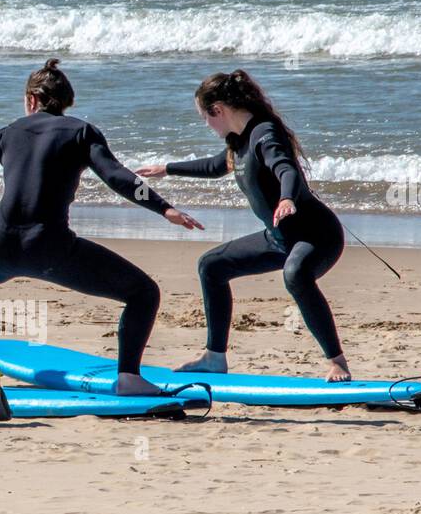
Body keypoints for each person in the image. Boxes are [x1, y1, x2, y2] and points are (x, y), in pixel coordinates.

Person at [0, 59, 202, 395]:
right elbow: (119, 178)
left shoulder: (8, 133)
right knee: (143, 293)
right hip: (51, 250)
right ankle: (128, 377)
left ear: (31, 100)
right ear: (65, 103)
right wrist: (164, 208)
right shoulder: (81, 132)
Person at [137, 69, 351, 381]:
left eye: (205, 117)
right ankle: (214, 358)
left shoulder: (265, 134)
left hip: (317, 235)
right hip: (279, 238)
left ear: (218, 110)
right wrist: (167, 169)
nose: (206, 125)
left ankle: (338, 362)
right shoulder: (239, 142)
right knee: (211, 266)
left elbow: (285, 167)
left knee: (296, 275)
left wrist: (287, 199)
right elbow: (215, 166)